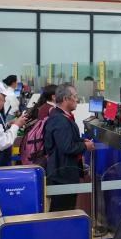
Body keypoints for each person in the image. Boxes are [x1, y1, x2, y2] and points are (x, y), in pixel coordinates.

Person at [44, 84, 93, 212]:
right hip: (62, 175)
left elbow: (64, 140)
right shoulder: (60, 120)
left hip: (62, 172)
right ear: (66, 99)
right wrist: (85, 146)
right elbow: (67, 147)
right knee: (62, 211)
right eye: (75, 96)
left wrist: (81, 141)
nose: (77, 99)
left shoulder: (60, 116)